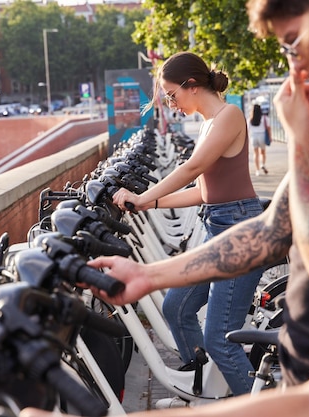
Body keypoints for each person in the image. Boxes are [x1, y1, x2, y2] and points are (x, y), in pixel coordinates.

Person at [21, 0, 309, 416]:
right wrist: (147, 274)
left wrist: (300, 144)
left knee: (219, 334)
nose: (296, 62)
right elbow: (272, 229)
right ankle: (200, 376)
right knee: (183, 311)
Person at [112, 51, 265, 397]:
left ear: (191, 86)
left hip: (239, 229)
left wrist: (144, 195)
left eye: (171, 95)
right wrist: (147, 203)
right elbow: (201, 191)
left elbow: (192, 169)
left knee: (220, 339)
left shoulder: (229, 116)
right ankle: (203, 387)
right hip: (217, 227)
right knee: (176, 307)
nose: (170, 103)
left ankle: (262, 405)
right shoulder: (208, 123)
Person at [247, 103, 270, 175]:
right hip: (262, 135)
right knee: (263, 152)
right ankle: (262, 164)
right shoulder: (264, 118)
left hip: (253, 136)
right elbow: (268, 128)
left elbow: (248, 130)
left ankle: (257, 170)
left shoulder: (250, 119)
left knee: (255, 153)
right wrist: (270, 136)